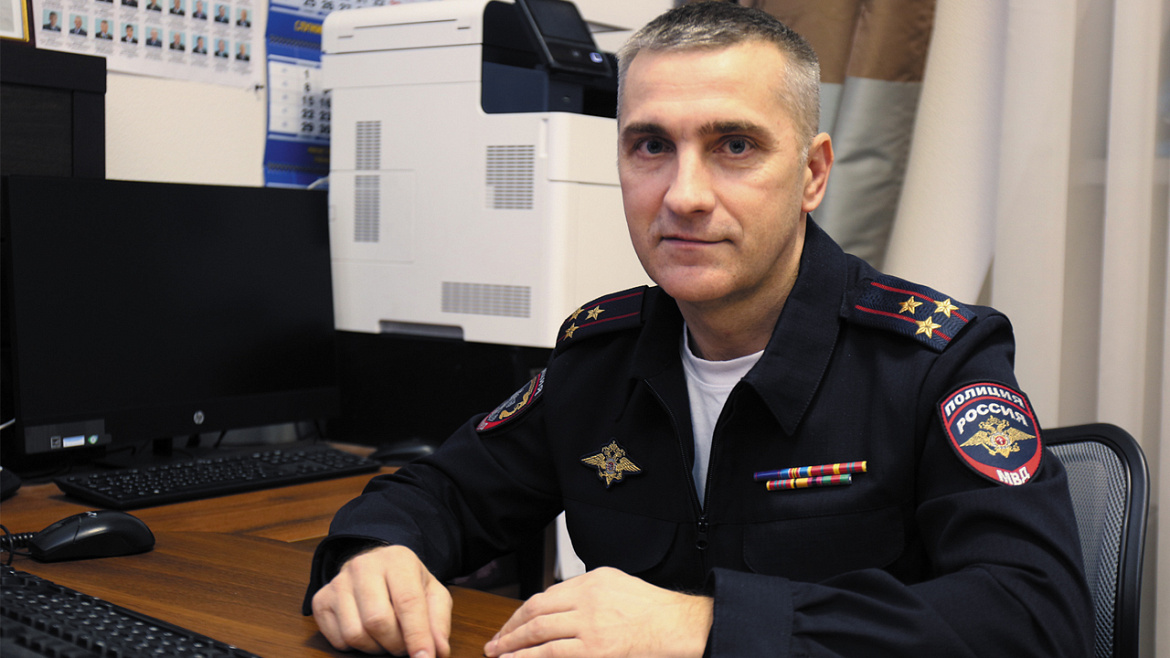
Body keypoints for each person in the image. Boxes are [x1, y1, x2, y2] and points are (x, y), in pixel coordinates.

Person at [305, 3, 1093, 657]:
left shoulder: (931, 362)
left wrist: (708, 626)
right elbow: (440, 491)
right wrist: (377, 553)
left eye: (734, 146)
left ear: (813, 173)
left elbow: (1036, 614)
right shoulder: (600, 358)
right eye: (651, 146)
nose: (683, 195)